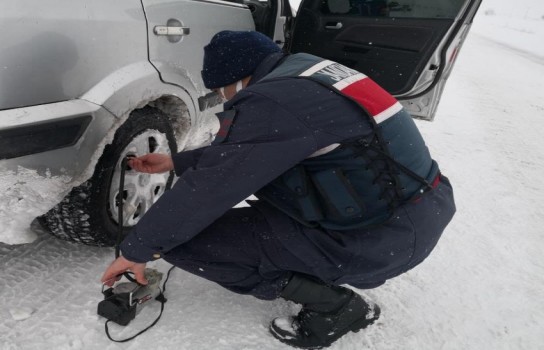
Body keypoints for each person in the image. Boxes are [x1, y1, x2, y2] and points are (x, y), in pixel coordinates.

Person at [101, 30, 456, 349]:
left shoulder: (274, 103)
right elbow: (256, 149)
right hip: (412, 213)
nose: (222, 98)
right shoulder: (306, 74)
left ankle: (335, 307)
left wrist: (138, 249)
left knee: (181, 243)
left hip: (374, 240)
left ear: (238, 79)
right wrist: (176, 163)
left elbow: (209, 189)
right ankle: (307, 263)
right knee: (218, 214)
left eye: (221, 89)